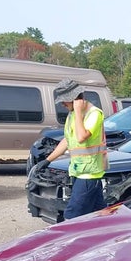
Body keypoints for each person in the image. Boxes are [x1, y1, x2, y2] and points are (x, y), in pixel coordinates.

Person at [35, 79, 107, 219]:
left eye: (64, 101)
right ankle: (109, 230)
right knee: (99, 212)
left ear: (75, 98)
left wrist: (79, 111)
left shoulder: (94, 114)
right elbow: (68, 140)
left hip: (89, 173)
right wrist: (47, 160)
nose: (62, 104)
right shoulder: (73, 114)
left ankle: (68, 233)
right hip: (78, 171)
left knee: (72, 214)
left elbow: (81, 137)